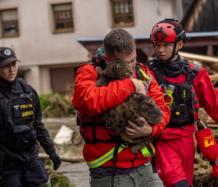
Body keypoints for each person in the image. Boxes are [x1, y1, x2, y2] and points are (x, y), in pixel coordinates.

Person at [146, 18, 218, 187]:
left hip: (187, 140)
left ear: (179, 44)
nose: (160, 49)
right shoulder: (146, 73)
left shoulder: (196, 73)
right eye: (157, 45)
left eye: (165, 44)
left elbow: (214, 104)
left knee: (186, 183)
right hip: (161, 141)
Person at [72, 29, 170, 187]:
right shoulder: (88, 72)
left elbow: (163, 111)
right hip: (107, 169)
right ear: (106, 58)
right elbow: (87, 101)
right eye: (123, 63)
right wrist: (129, 84)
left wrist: (151, 130)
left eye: (133, 60)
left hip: (144, 166)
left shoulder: (143, 73)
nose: (130, 68)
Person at [0, 47, 61, 187]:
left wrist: (51, 151)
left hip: (31, 159)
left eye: (14, 64)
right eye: (6, 66)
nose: (11, 70)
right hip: (5, 165)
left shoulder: (28, 92)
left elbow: (37, 125)